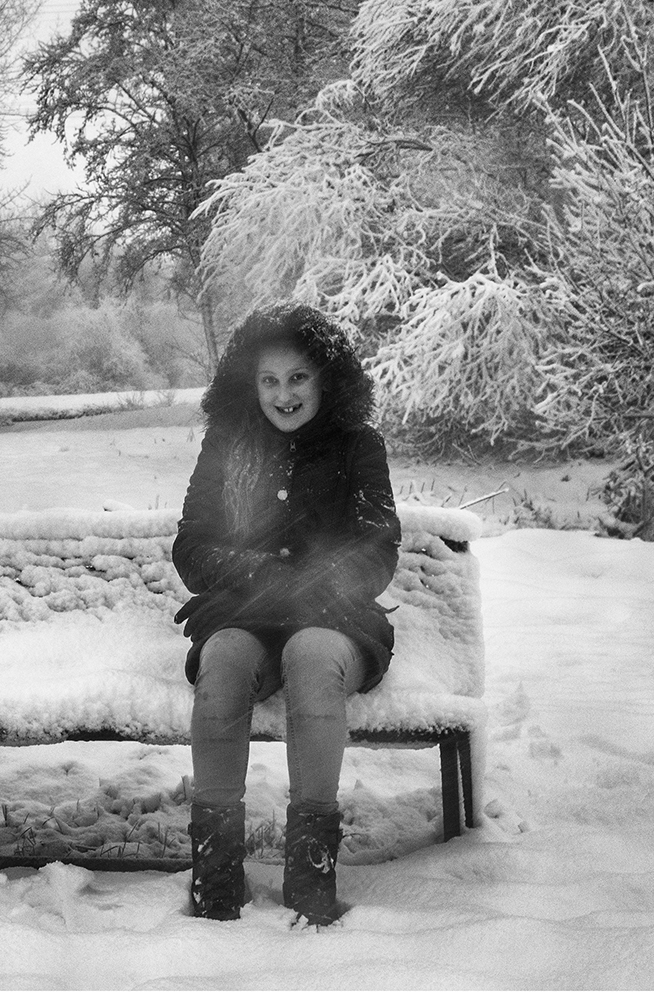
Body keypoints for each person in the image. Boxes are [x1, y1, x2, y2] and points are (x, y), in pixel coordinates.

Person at [172, 303, 400, 926]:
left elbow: (378, 546)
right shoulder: (228, 445)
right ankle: (217, 874)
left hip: (334, 618)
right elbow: (192, 545)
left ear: (327, 379)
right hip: (246, 613)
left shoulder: (357, 444)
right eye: (269, 380)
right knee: (223, 661)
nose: (284, 394)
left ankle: (311, 873)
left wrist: (315, 583)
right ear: (249, 384)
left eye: (298, 377)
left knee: (311, 656)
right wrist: (258, 575)